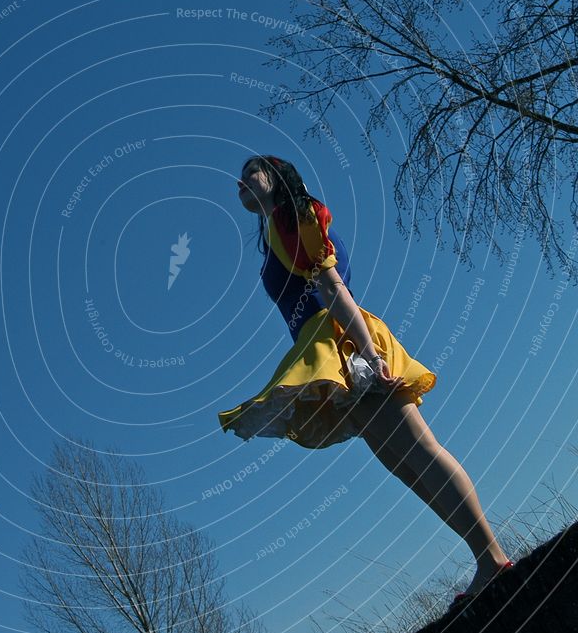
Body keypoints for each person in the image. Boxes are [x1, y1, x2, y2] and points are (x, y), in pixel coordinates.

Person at [217, 155, 513, 607]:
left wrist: (371, 357)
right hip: (332, 350)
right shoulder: (278, 227)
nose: (239, 180)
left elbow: (332, 286)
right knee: (403, 465)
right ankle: (486, 561)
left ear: (275, 178)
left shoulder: (294, 216)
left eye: (251, 172)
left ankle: (494, 558)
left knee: (418, 448)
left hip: (348, 345)